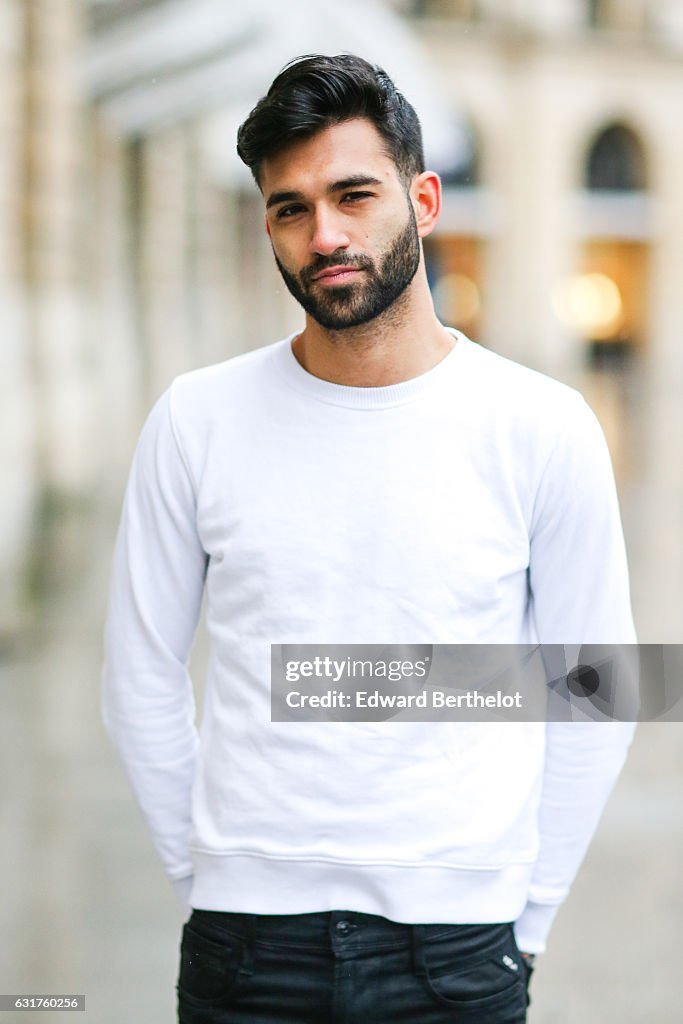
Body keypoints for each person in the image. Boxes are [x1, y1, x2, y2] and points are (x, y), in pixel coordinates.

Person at [101, 53, 637, 1023]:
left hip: (459, 954)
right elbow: (136, 674)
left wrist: (524, 918)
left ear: (423, 199)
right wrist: (208, 879)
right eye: (289, 209)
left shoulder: (540, 428)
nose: (325, 235)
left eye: (353, 194)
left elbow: (596, 685)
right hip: (244, 950)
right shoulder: (195, 420)